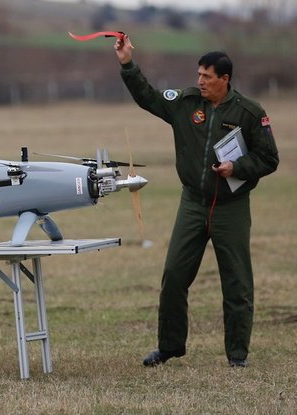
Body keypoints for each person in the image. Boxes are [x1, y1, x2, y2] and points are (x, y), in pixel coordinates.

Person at [114, 35, 279, 368]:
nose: (199, 81)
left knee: (236, 282)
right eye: (198, 74)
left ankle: (237, 355)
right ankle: (170, 346)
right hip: (192, 203)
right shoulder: (186, 102)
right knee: (174, 275)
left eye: (206, 76)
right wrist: (127, 63)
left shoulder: (250, 112)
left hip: (231, 206)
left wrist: (238, 167)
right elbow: (147, 98)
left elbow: (269, 158)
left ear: (224, 79)